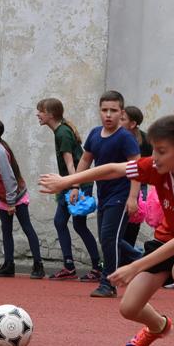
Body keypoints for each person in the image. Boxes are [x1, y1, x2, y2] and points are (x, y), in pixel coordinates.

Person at [39, 115, 174, 346]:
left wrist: (135, 266)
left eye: (161, 151)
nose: (154, 157)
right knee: (129, 308)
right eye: (153, 149)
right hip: (169, 235)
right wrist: (67, 182)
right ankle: (158, 326)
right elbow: (114, 169)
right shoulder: (157, 166)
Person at [78, 90, 141, 297]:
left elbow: (137, 168)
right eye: (104, 110)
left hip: (121, 195)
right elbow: (86, 159)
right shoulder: (95, 134)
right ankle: (140, 259)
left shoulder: (125, 137)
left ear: (121, 113)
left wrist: (133, 197)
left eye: (113, 110)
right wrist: (75, 185)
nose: (108, 114)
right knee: (107, 238)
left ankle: (108, 283)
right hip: (103, 195)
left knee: (109, 237)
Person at [35, 98, 102, 281]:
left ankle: (97, 267)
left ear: (51, 114)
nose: (38, 114)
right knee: (61, 222)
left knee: (77, 225)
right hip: (71, 183)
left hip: (77, 183)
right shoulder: (61, 130)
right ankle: (70, 266)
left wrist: (74, 187)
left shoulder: (62, 133)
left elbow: (71, 163)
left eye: (41, 111)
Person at [0, 116, 44, 279]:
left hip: (15, 196)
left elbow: (9, 178)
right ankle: (9, 265)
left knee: (27, 227)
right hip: (3, 197)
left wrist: (11, 202)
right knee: (6, 230)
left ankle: (38, 265)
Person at [122, 105, 150, 249]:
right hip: (122, 184)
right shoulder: (118, 137)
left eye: (122, 119)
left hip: (139, 185)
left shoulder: (146, 140)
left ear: (132, 123)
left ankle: (131, 254)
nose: (118, 121)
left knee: (133, 222)